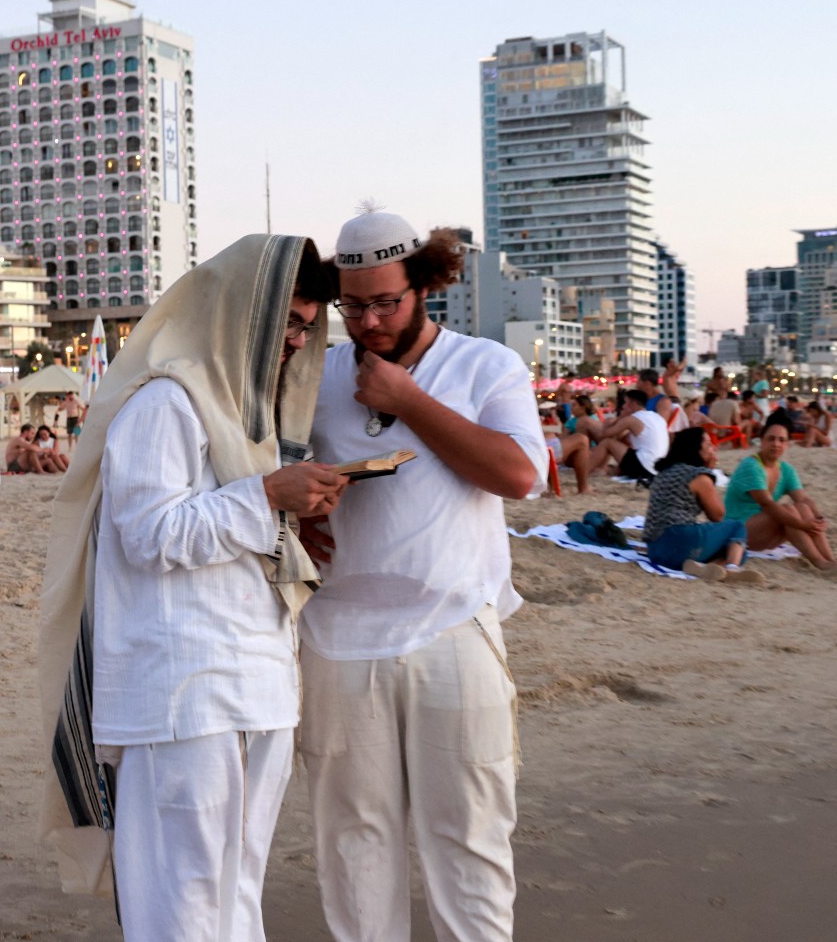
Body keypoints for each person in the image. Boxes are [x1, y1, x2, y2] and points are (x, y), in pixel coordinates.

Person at [38, 234, 342, 939]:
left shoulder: (250, 419)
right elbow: (150, 534)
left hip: (254, 686)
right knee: (184, 903)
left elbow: (235, 533)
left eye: (304, 327)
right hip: (182, 696)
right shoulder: (166, 403)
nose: (295, 343)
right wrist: (267, 495)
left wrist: (294, 509)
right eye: (284, 325)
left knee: (237, 894)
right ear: (239, 318)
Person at [299, 210, 547, 941]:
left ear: (425, 285)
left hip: (454, 628)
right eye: (354, 306)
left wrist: (409, 401)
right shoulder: (312, 379)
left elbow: (519, 475)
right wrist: (300, 509)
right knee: (352, 845)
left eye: (386, 302)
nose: (370, 322)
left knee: (468, 838)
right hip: (338, 638)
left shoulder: (484, 365)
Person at [643, 427, 763, 584]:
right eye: (708, 444)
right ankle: (732, 568)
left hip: (656, 550)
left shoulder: (664, 473)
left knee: (737, 548)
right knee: (737, 529)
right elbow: (718, 515)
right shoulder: (698, 476)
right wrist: (709, 471)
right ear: (695, 449)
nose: (713, 448)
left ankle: (704, 568)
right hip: (680, 541)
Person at [725, 422, 837, 569]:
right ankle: (819, 562)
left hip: (765, 532)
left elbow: (803, 498)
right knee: (788, 510)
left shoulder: (785, 469)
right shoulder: (751, 466)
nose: (776, 444)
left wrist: (818, 518)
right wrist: (802, 524)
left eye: (782, 440)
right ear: (761, 441)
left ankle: (830, 559)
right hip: (738, 532)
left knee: (803, 507)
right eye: (771, 439)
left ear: (787, 444)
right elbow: (767, 504)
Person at [587, 387, 670, 484]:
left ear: (632, 404)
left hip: (644, 467)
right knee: (625, 442)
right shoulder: (656, 417)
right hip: (657, 469)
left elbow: (604, 435)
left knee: (607, 443)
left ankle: (585, 470)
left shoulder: (632, 419)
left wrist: (620, 417)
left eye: (625, 403)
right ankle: (604, 469)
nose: (623, 406)